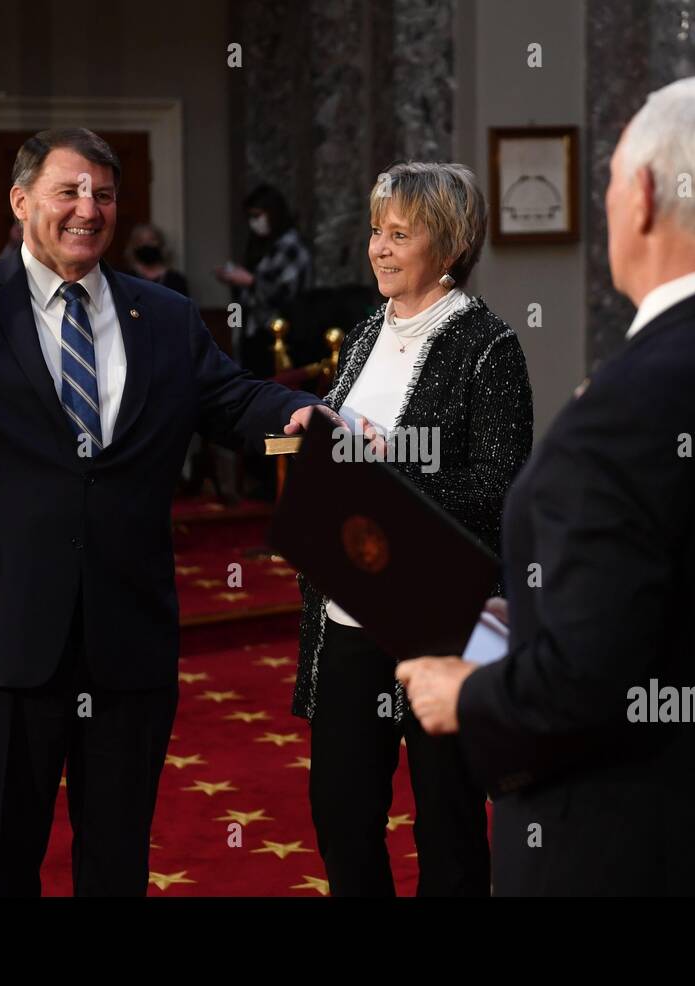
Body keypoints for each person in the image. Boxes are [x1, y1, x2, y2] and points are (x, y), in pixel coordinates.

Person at [0, 130, 333, 896]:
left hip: (127, 640)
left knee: (116, 864)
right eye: (70, 191)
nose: (90, 210)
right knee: (1, 863)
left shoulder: (166, 316)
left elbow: (237, 400)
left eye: (105, 195)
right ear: (21, 203)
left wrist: (304, 413)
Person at [398, 75, 695, 895]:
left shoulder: (628, 408)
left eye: (611, 179)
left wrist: (466, 694)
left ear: (644, 194)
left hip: (625, 856)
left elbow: (586, 687)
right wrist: (538, 610)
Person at [292, 162, 534, 896]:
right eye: (376, 231)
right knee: (341, 815)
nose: (379, 248)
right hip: (345, 615)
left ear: (451, 246)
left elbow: (502, 490)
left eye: (401, 233)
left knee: (449, 829)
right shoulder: (363, 335)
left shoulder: (489, 347)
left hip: (440, 624)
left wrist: (389, 468)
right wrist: (318, 438)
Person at [213, 184, 311, 377]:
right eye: (250, 217)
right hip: (253, 332)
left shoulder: (291, 245)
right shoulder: (259, 245)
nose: (254, 223)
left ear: (272, 214)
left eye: (258, 216)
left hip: (283, 335)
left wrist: (250, 281)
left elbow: (286, 294)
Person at [124, 222, 189, 297]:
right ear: (134, 246)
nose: (146, 244)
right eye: (141, 241)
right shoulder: (126, 279)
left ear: (160, 243)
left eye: (151, 240)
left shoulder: (176, 280)